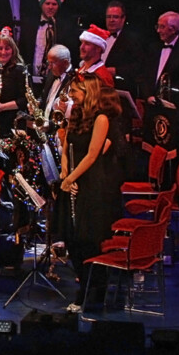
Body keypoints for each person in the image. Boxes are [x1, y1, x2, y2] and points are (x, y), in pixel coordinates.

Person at [59, 74, 122, 313]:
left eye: (76, 91)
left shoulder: (101, 118)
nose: (71, 95)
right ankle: (83, 285)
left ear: (89, 92)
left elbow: (93, 154)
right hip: (73, 182)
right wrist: (66, 173)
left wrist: (73, 177)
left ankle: (92, 294)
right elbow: (67, 146)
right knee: (72, 240)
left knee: (89, 240)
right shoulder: (75, 114)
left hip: (93, 184)